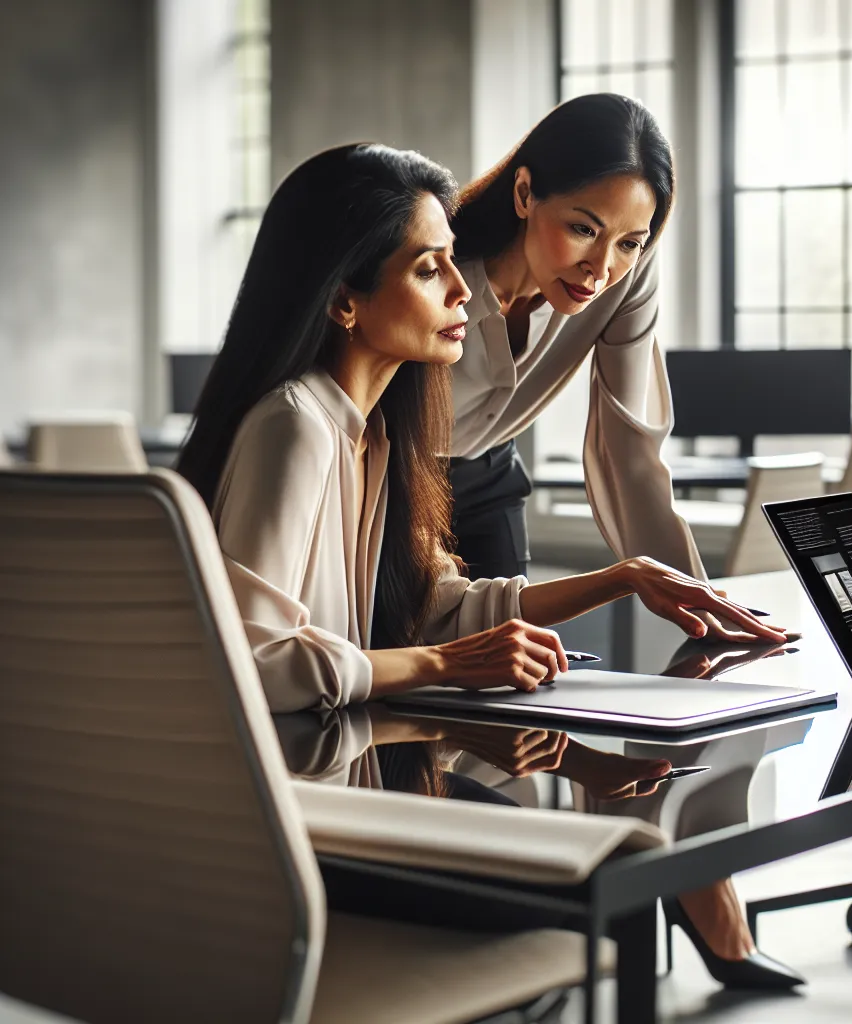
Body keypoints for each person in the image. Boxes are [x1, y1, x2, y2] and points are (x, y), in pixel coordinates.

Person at [175, 142, 802, 989]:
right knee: (599, 894)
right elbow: (248, 662)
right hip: (301, 824)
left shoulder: (377, 435)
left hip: (355, 789)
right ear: (345, 302)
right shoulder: (294, 426)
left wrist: (624, 577)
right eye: (432, 269)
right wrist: (441, 664)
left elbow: (437, 603)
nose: (464, 290)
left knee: (608, 868)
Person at [443, 93, 780, 642]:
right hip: (389, 478)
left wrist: (699, 600)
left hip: (488, 476)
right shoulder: (437, 272)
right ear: (525, 193)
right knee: (411, 661)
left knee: (513, 673)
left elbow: (629, 451)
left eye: (629, 243)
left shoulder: (628, 278)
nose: (600, 269)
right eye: (583, 229)